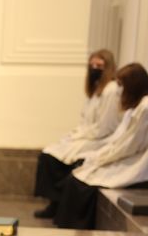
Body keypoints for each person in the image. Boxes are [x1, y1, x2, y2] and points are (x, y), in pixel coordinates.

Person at [54, 63, 148, 229]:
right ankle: (68, 224)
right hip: (132, 153)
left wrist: (105, 157)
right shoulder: (139, 106)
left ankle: (77, 225)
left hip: (143, 160)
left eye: (121, 84)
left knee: (82, 180)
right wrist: (103, 155)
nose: (118, 90)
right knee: (79, 175)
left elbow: (132, 144)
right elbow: (124, 139)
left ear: (133, 84)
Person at [32, 50, 121, 218]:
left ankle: (58, 203)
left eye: (99, 66)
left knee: (55, 159)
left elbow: (105, 127)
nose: (95, 69)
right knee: (48, 154)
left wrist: (79, 136)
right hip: (87, 136)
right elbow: (85, 120)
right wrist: (74, 135)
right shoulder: (95, 90)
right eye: (92, 65)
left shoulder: (111, 90)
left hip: (100, 140)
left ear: (108, 67)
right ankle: (54, 201)